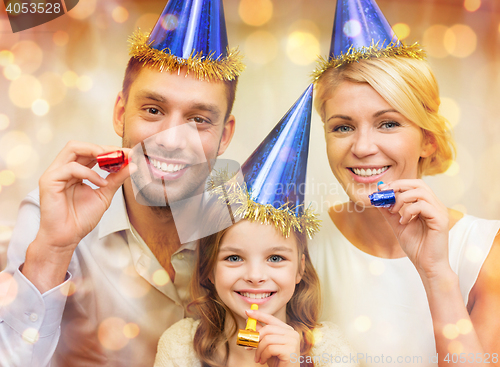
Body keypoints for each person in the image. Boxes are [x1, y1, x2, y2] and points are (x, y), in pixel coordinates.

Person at [0, 0, 244, 366]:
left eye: (198, 119)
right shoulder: (54, 213)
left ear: (224, 136)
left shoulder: (248, 224)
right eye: (153, 110)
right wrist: (53, 249)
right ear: (120, 114)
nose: (172, 139)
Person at [310, 0, 500, 366]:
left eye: (389, 123)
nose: (362, 148)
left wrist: (436, 272)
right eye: (343, 127)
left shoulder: (486, 253)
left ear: (427, 139)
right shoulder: (296, 245)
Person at [155, 85, 358, 367]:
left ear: (300, 268)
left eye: (275, 258)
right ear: (208, 269)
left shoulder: (327, 351)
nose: (255, 275)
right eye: (234, 257)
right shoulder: (181, 347)